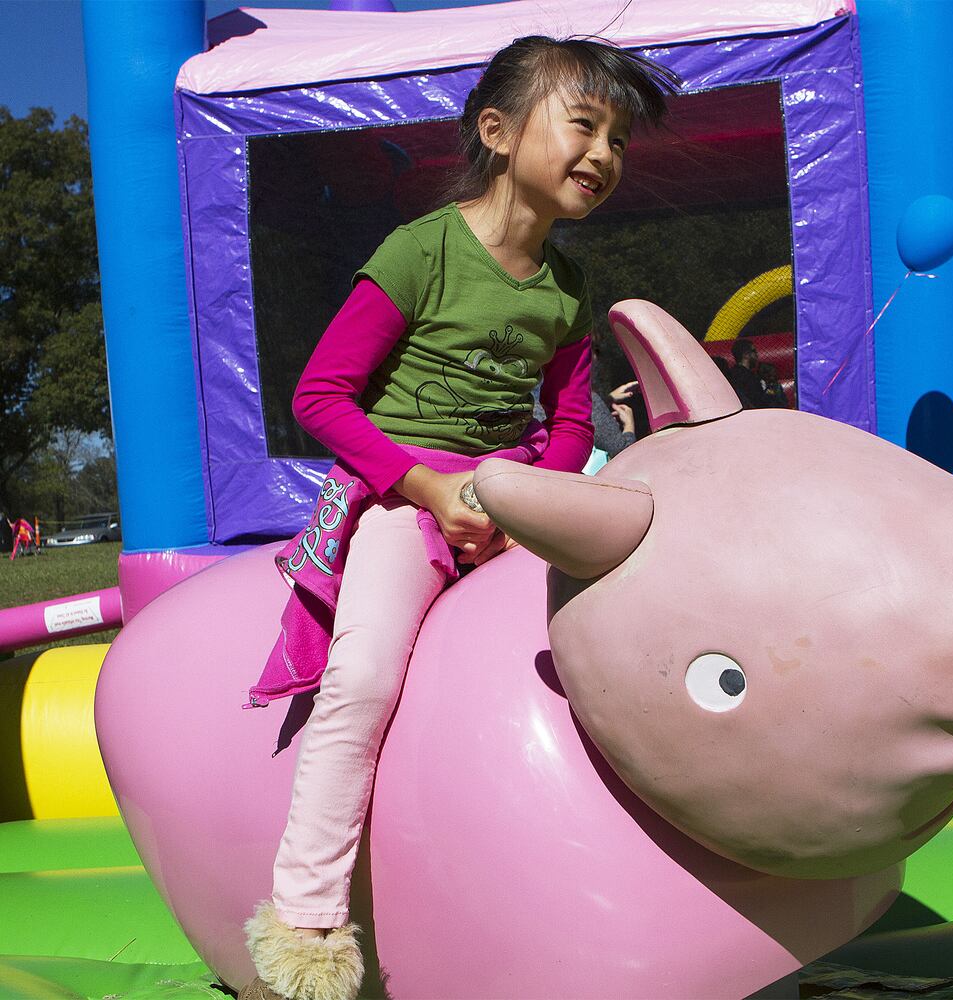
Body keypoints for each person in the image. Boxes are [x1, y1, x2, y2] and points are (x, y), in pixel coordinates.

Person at [239, 37, 677, 1000]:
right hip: (406, 501)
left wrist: (529, 513)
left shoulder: (567, 288)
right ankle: (305, 919)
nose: (604, 153)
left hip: (506, 507)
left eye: (618, 139)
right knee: (361, 679)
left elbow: (569, 421)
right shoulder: (421, 250)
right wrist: (427, 489)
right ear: (497, 131)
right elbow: (320, 396)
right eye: (584, 125)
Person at [727, 338, 771, 408]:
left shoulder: (731, 374)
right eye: (754, 351)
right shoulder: (750, 378)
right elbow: (759, 401)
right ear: (746, 355)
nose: (757, 355)